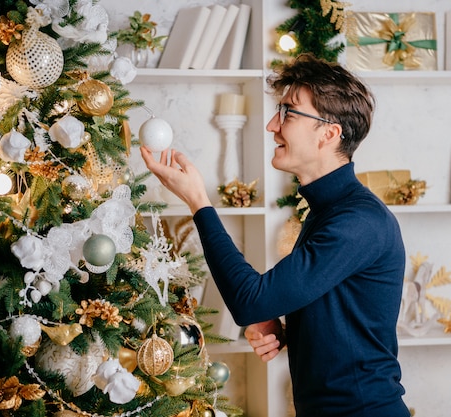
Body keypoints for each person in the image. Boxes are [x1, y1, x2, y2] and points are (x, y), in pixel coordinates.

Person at [141, 53, 410, 417]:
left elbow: (251, 300)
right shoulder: (331, 212)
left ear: (329, 133)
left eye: (288, 112)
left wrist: (198, 201)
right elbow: (331, 307)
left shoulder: (358, 221)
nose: (272, 125)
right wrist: (282, 325)